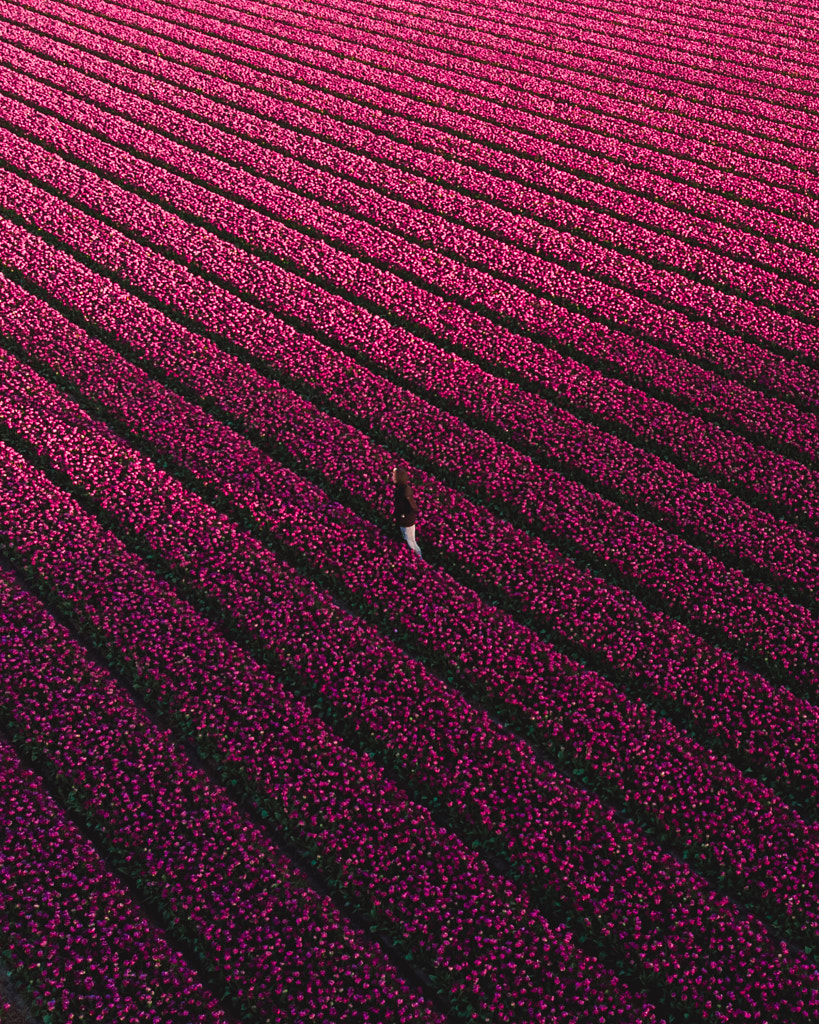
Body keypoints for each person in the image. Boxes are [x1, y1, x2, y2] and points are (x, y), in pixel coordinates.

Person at [392, 466, 423, 560]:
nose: (392, 477)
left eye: (394, 476)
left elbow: (413, 507)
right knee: (408, 539)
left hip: (407, 521)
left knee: (411, 541)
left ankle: (420, 559)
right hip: (403, 520)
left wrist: (403, 515)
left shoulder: (404, 491)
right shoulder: (400, 488)